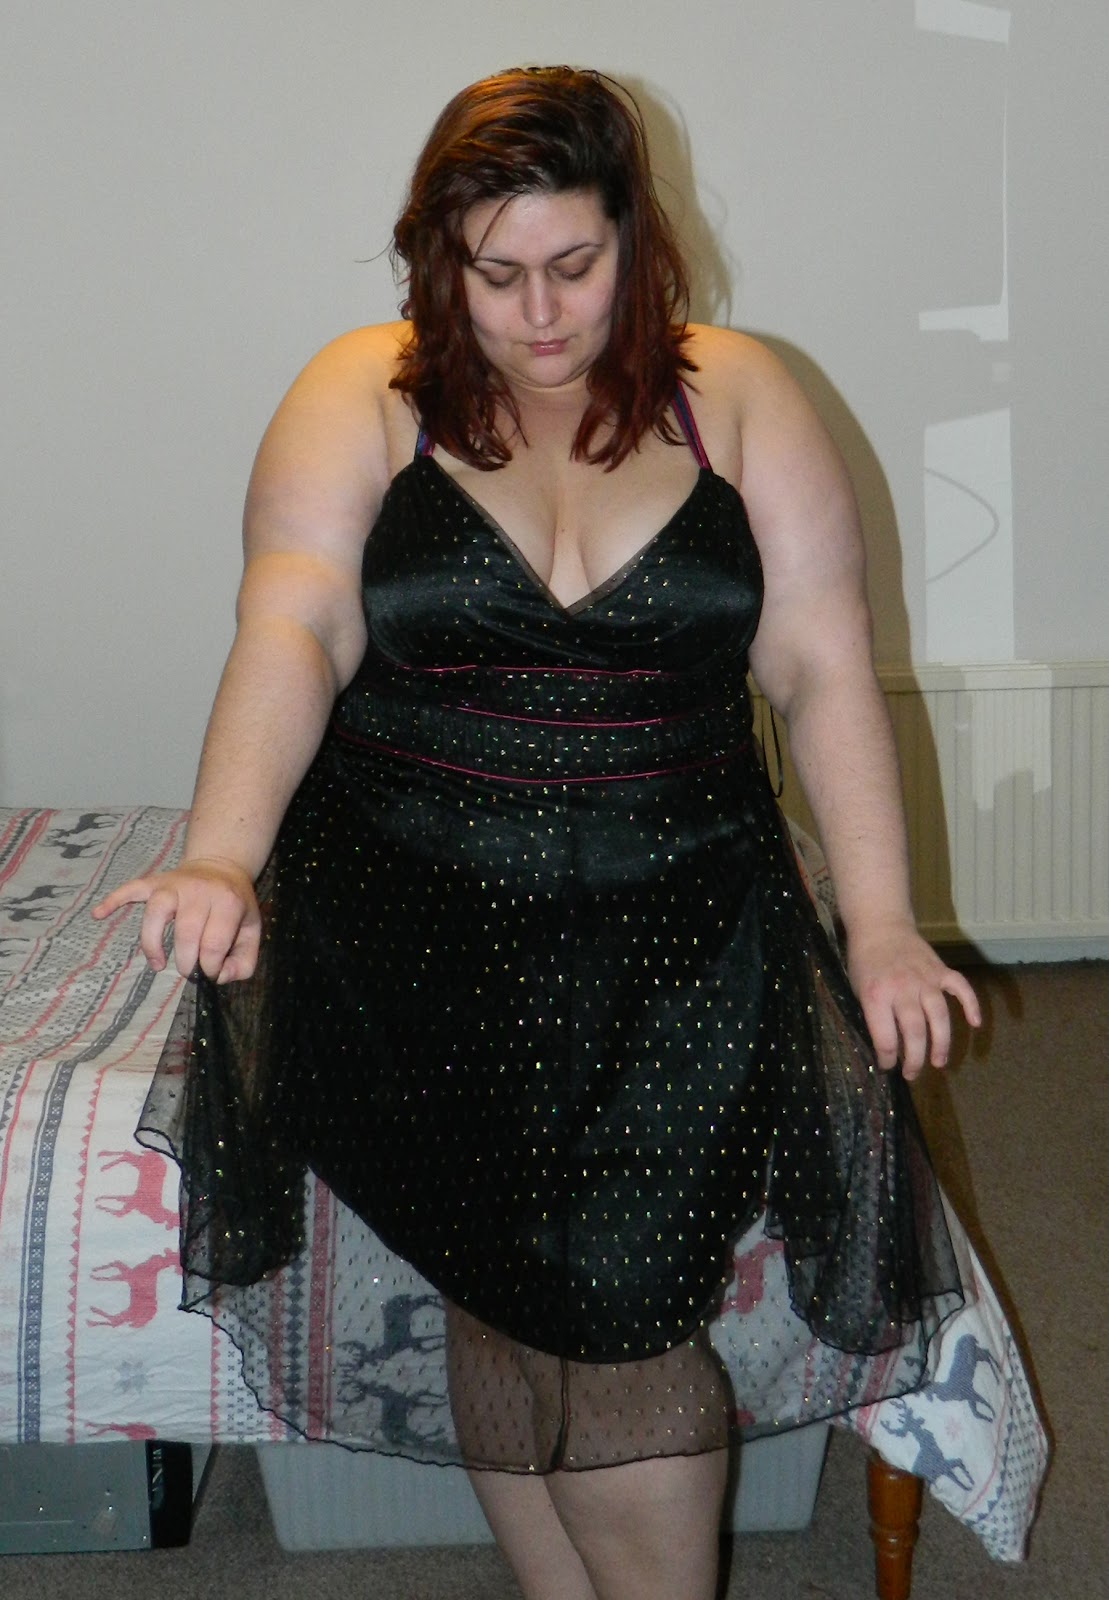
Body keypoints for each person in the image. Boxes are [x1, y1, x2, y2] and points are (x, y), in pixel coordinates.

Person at [94, 66, 980, 1600]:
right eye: (492, 276)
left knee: (626, 1321)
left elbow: (821, 666)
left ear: (638, 237)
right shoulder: (362, 392)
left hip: (683, 929)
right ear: (435, 261)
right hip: (413, 925)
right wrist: (224, 851)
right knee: (493, 1284)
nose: (539, 314)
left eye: (574, 264)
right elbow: (294, 624)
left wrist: (882, 920)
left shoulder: (738, 395)